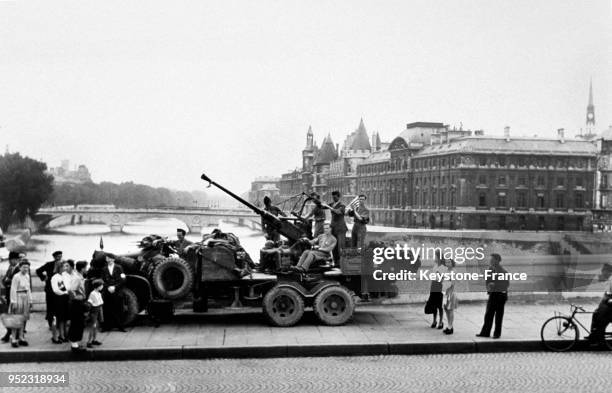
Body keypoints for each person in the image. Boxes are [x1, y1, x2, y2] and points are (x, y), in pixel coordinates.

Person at [476, 253, 510, 339]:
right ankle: (485, 332)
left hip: (501, 296)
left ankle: (497, 333)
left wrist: (494, 284)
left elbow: (506, 284)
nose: (490, 261)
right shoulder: (490, 269)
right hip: (493, 294)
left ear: (497, 261)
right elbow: (487, 281)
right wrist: (489, 287)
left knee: (498, 316)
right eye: (490, 259)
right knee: (488, 314)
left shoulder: (503, 271)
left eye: (492, 259)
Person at [35, 250, 64, 329]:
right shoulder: (49, 264)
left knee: (58, 306)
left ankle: (57, 323)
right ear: (54, 257)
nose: (59, 258)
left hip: (59, 289)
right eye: (58, 257)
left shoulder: (63, 265)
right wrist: (44, 278)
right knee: (50, 307)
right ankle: (50, 323)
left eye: (61, 256)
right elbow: (38, 270)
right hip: (50, 289)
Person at [8, 259, 32, 348]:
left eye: (27, 267)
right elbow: (13, 289)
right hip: (18, 297)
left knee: (23, 319)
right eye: (24, 267)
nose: (26, 269)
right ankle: (14, 338)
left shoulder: (27, 276)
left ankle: (21, 337)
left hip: (25, 297)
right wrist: (13, 301)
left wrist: (30, 300)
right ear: (20, 267)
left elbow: (28, 289)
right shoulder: (16, 276)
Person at [101, 253, 127, 332]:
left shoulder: (119, 268)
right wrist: (108, 287)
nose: (107, 260)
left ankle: (120, 326)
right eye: (107, 258)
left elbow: (123, 279)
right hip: (107, 291)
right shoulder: (104, 269)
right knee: (107, 309)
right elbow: (102, 280)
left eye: (109, 258)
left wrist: (115, 287)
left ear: (113, 259)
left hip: (117, 291)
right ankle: (107, 326)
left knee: (119, 308)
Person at [587, 273, 612, 347]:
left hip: (609, 310)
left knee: (601, 320)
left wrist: (609, 300)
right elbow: (608, 291)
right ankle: (593, 334)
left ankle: (601, 340)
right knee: (595, 314)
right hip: (607, 306)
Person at [67, 261, 87, 352]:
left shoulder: (78, 277)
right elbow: (71, 290)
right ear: (82, 268)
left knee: (79, 323)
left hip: (78, 302)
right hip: (76, 303)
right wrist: (78, 298)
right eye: (85, 268)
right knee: (77, 323)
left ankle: (75, 344)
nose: (86, 269)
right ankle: (74, 345)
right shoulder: (77, 278)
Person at [1, 252, 21, 343]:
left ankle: (14, 333)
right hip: (9, 294)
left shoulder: (19, 269)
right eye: (9, 260)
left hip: (16, 295)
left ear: (16, 259)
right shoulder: (10, 268)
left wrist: (8, 280)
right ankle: (10, 332)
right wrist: (7, 281)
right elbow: (4, 280)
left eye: (11, 259)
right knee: (9, 314)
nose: (10, 261)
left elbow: (15, 281)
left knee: (14, 314)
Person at [323, 191, 347, 266]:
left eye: (335, 197)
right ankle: (336, 262)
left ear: (338, 197)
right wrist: (317, 201)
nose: (333, 199)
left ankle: (342, 262)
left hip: (341, 228)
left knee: (341, 246)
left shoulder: (342, 205)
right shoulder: (332, 204)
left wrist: (330, 207)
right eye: (332, 197)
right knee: (334, 246)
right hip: (333, 228)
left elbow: (338, 212)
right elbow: (322, 206)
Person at [51, 260, 72, 343]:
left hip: (65, 299)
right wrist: (64, 292)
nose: (65, 268)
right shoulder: (55, 277)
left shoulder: (65, 276)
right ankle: (57, 336)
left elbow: (68, 285)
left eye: (66, 266)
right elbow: (55, 289)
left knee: (64, 318)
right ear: (59, 267)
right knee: (58, 318)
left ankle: (63, 335)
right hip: (58, 299)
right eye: (64, 266)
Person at [426, 251, 447, 330]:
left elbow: (442, 278)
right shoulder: (435, 266)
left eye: (436, 256)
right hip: (434, 285)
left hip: (439, 286)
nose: (434, 258)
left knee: (439, 305)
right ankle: (434, 321)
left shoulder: (443, 267)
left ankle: (441, 322)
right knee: (434, 305)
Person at [86, 279, 104, 348]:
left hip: (98, 310)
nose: (102, 286)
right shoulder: (92, 294)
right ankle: (89, 341)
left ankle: (94, 339)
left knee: (96, 326)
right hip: (94, 311)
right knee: (93, 326)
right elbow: (90, 303)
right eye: (101, 285)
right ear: (98, 286)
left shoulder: (99, 293)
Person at [443, 259, 458, 335]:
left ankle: (450, 326)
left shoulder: (453, 271)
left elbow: (453, 283)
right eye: (446, 262)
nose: (447, 263)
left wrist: (448, 292)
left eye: (449, 262)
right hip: (445, 292)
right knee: (446, 309)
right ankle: (449, 326)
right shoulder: (445, 271)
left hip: (450, 292)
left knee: (450, 310)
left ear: (452, 263)